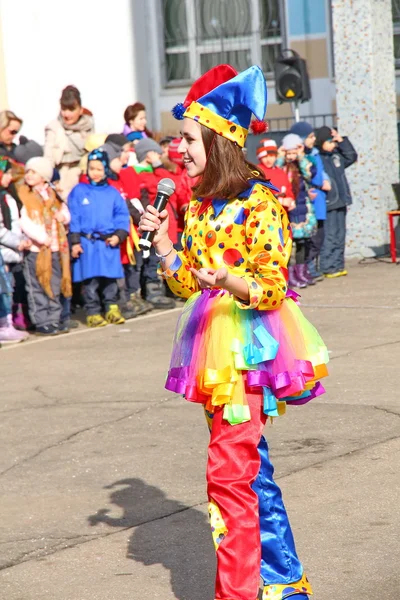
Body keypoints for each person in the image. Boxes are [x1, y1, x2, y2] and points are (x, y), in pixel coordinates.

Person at [139, 64, 329, 600]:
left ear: (220, 141)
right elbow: (183, 283)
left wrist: (231, 280)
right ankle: (284, 582)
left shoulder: (260, 203)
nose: (179, 150)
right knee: (251, 471)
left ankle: (239, 592)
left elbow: (273, 284)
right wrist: (164, 244)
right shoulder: (198, 206)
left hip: (249, 350)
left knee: (228, 476)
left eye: (188, 139)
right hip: (210, 353)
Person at [68, 148, 129, 328]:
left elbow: (121, 216)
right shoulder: (79, 191)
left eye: (98, 169)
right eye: (91, 168)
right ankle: (93, 311)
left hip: (108, 243)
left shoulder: (112, 193)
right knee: (90, 281)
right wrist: (75, 242)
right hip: (88, 243)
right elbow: (75, 217)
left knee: (110, 279)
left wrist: (119, 235)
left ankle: (111, 307)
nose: (94, 173)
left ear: (105, 170)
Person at [19, 157, 72, 336]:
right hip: (37, 250)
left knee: (54, 286)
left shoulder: (53, 195)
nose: (29, 175)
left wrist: (63, 218)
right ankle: (41, 321)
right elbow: (25, 221)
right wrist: (42, 238)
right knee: (37, 286)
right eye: (27, 172)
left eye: (33, 172)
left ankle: (54, 319)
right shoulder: (24, 196)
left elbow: (65, 211)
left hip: (56, 249)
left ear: (44, 176)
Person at [289, 122, 331, 280]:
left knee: (316, 238)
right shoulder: (294, 157)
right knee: (306, 241)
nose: (313, 139)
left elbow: (316, 173)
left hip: (315, 203)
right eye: (310, 136)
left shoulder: (313, 154)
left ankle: (307, 269)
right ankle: (305, 269)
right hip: (302, 205)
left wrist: (325, 180)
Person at [315, 126, 357, 278]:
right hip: (329, 202)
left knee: (340, 234)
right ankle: (327, 266)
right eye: (330, 142)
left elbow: (351, 156)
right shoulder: (318, 158)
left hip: (341, 201)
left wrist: (341, 139)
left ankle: (338, 265)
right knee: (330, 235)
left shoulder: (336, 155)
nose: (334, 145)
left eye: (334, 142)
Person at [276, 134, 316, 288]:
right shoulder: (282, 167)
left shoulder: (302, 165)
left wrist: (301, 155)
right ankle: (291, 274)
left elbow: (310, 174)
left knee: (303, 242)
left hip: (302, 208)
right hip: (289, 210)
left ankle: (301, 272)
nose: (291, 156)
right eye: (289, 153)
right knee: (290, 244)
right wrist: (280, 155)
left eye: (294, 153)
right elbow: (277, 171)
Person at [44, 85, 94, 200]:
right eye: (64, 109)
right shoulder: (54, 127)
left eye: (71, 109)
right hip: (62, 176)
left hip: (85, 174)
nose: (67, 114)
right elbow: (48, 157)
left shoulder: (88, 126)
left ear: (80, 109)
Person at [256, 138, 295, 211]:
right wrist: (280, 200)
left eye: (271, 155)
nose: (268, 159)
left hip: (282, 213)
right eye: (264, 156)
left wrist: (291, 201)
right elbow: (258, 195)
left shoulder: (281, 172)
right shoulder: (257, 172)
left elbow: (288, 189)